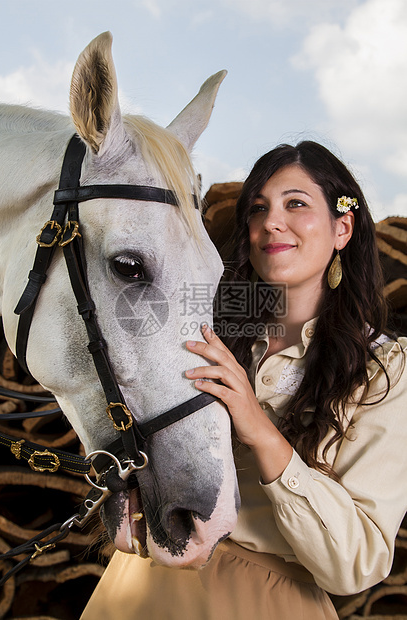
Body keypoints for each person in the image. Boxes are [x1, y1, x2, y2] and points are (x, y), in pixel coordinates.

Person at [81, 141, 407, 619]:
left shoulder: (386, 368)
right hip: (138, 590)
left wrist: (258, 428)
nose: (272, 221)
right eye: (259, 208)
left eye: (296, 203)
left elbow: (356, 563)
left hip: (267, 603)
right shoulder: (202, 330)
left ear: (343, 227)